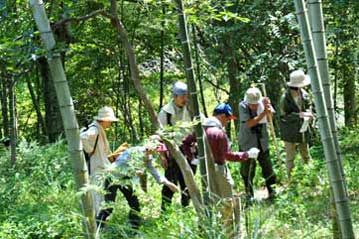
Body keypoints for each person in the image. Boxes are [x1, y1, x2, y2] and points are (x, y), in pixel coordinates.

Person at [96, 141, 179, 229]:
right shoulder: (133, 151)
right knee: (109, 207)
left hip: (126, 180)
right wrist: (134, 171)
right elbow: (119, 165)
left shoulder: (148, 156)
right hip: (113, 177)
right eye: (155, 149)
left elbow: (154, 171)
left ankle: (134, 229)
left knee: (134, 205)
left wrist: (168, 183)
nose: (156, 152)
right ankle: (97, 227)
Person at [202, 103, 259, 199]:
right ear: (222, 116)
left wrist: (193, 158)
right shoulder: (219, 133)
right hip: (219, 169)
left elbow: (186, 142)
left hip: (204, 169)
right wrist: (247, 154)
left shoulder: (201, 129)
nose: (227, 122)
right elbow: (227, 155)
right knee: (227, 199)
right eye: (228, 119)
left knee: (212, 197)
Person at [158, 81, 198, 211]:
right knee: (170, 183)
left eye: (186, 96)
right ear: (174, 96)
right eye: (182, 97)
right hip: (173, 152)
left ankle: (186, 209)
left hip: (189, 150)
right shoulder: (165, 112)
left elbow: (199, 124)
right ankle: (164, 211)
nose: (185, 99)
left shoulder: (191, 109)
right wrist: (162, 155)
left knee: (188, 182)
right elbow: (160, 135)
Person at [238, 87, 277, 200]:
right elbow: (249, 123)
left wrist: (268, 110)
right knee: (248, 169)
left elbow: (270, 118)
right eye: (252, 104)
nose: (254, 106)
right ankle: (249, 195)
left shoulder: (264, 102)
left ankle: (272, 191)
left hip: (262, 141)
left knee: (267, 167)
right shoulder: (242, 106)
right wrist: (263, 113)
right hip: (247, 142)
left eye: (255, 104)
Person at [80, 106, 119, 216]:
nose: (110, 123)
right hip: (97, 168)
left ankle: (99, 223)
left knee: (101, 197)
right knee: (97, 198)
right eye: (110, 121)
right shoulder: (95, 129)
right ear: (105, 120)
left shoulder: (98, 129)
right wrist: (90, 149)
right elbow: (82, 137)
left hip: (101, 168)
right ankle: (97, 224)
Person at [279, 69, 314, 179]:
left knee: (306, 154)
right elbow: (283, 116)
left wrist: (309, 113)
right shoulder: (284, 98)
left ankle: (310, 177)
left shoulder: (305, 95)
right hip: (289, 131)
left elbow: (309, 106)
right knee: (290, 157)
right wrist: (298, 115)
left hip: (302, 129)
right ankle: (291, 180)